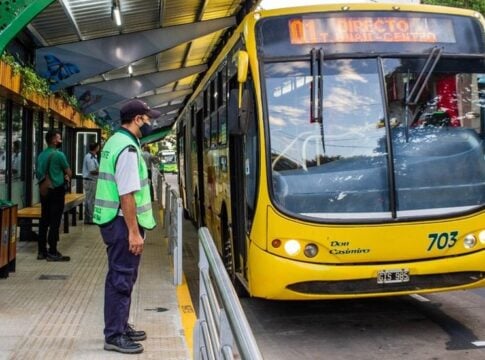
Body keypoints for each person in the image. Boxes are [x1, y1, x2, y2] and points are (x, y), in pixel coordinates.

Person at [94, 99, 160, 354]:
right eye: (147, 118)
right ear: (137, 120)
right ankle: (114, 335)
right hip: (122, 222)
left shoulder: (115, 141)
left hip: (114, 220)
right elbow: (127, 194)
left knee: (123, 276)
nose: (150, 123)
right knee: (121, 278)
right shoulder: (129, 150)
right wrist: (134, 232)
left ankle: (120, 324)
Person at [35, 130, 72, 261]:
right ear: (53, 140)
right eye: (59, 138)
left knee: (44, 219)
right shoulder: (59, 155)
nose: (60, 140)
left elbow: (38, 172)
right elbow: (69, 172)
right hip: (56, 190)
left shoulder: (41, 155)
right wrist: (65, 175)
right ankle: (52, 251)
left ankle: (41, 251)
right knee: (55, 221)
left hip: (44, 190)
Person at [82, 142, 100, 224]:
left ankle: (88, 218)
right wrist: (101, 171)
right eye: (98, 147)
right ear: (96, 148)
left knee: (91, 199)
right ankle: (90, 219)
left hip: (92, 180)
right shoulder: (89, 157)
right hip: (90, 180)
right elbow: (92, 170)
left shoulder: (94, 157)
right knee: (90, 200)